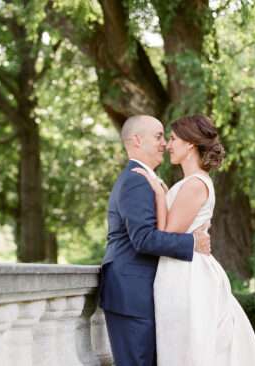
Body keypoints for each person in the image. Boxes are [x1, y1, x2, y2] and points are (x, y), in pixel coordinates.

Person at [133, 114, 255, 366]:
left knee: (191, 346)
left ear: (190, 144)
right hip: (179, 270)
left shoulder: (194, 185)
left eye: (172, 139)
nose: (168, 145)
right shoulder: (188, 183)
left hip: (189, 276)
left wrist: (159, 194)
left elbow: (166, 235)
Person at [99, 115, 212, 366]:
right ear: (137, 140)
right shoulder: (136, 180)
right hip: (132, 295)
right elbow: (143, 239)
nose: (165, 144)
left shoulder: (146, 179)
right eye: (159, 136)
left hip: (140, 293)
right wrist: (191, 243)